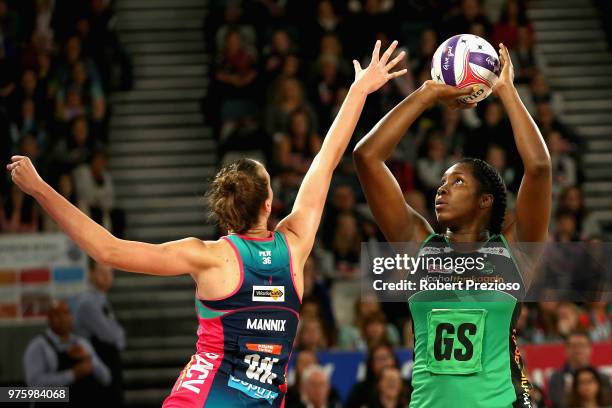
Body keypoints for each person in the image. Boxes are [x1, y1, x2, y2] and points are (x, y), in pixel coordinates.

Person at [7, 40, 407, 407]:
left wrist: (41, 189)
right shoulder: (295, 243)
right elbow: (326, 157)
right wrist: (358, 90)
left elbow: (107, 250)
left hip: (202, 397)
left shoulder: (209, 256)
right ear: (270, 202)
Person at [353, 43, 552, 407]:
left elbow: (538, 168)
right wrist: (426, 93)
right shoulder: (418, 246)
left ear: (485, 200)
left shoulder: (514, 250)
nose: (442, 189)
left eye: (457, 182)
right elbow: (367, 157)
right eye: (442, 182)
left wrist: (506, 90)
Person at [23, 300, 111, 407]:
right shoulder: (38, 346)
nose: (63, 319)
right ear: (49, 319)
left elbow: (106, 378)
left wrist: (89, 359)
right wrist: (72, 375)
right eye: (57, 315)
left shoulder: (82, 343)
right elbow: (34, 387)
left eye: (66, 313)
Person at [74, 261, 125, 407]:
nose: (106, 277)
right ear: (91, 274)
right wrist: (118, 336)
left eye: (109, 272)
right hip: (96, 365)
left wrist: (118, 336)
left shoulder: (100, 300)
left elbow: (117, 335)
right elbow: (110, 335)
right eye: (101, 272)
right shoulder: (88, 303)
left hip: (106, 361)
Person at [548, 331, 612, 408]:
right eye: (573, 346)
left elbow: (608, 401)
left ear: (590, 348)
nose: (578, 350)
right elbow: (558, 403)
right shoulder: (557, 378)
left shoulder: (602, 378)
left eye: (582, 345)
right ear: (566, 349)